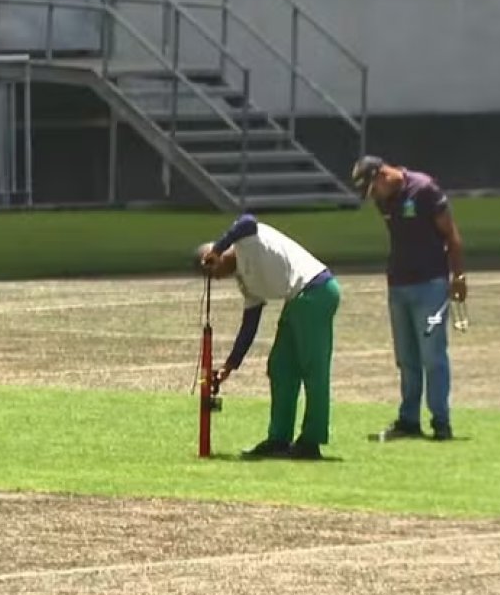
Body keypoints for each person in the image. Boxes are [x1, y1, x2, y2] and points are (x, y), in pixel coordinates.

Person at [196, 214, 341, 460]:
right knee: (281, 367)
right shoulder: (246, 284)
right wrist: (229, 366)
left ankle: (311, 441)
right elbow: (249, 325)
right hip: (297, 300)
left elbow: (247, 220)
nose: (217, 277)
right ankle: (279, 438)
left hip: (316, 290)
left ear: (217, 255)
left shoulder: (246, 241)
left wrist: (219, 247)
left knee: (314, 371)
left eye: (214, 269)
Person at [351, 155, 466, 442]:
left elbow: (451, 235)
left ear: (382, 175)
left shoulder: (424, 189)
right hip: (398, 284)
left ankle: (441, 421)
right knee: (406, 358)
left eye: (373, 188)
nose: (373, 196)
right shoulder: (384, 200)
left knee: (432, 355)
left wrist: (458, 276)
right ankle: (409, 419)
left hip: (430, 283)